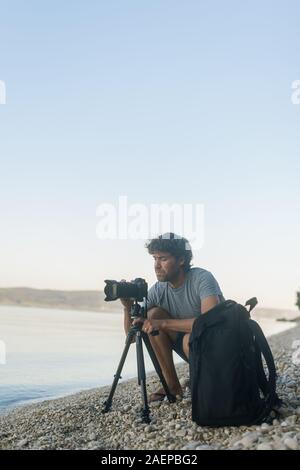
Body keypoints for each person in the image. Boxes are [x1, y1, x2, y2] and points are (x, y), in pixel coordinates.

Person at [120, 233, 225, 402]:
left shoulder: (202, 278)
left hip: (220, 350)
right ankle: (173, 386)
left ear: (181, 260)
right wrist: (127, 308)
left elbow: (210, 323)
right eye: (154, 259)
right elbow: (131, 337)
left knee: (185, 337)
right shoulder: (158, 289)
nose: (156, 265)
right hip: (191, 349)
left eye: (162, 259)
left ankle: (212, 380)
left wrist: (162, 324)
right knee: (153, 315)